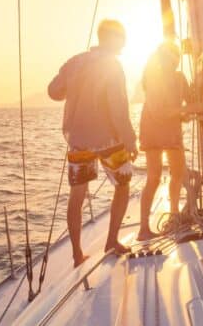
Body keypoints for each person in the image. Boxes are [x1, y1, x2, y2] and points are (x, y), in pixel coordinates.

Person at [47, 19, 137, 266]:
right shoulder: (112, 66)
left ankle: (77, 254)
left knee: (77, 196)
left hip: (78, 140)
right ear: (113, 38)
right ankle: (112, 241)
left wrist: (74, 88)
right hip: (109, 141)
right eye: (122, 38)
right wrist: (130, 139)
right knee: (123, 185)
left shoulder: (74, 62)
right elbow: (118, 108)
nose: (124, 43)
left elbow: (53, 91)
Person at [136, 41, 191, 241]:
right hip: (153, 129)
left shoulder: (180, 78)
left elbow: (189, 104)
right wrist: (186, 110)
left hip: (171, 130)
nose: (174, 60)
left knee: (178, 172)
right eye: (169, 56)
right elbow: (158, 111)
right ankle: (143, 228)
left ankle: (174, 215)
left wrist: (190, 111)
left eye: (176, 57)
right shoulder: (153, 78)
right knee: (154, 177)